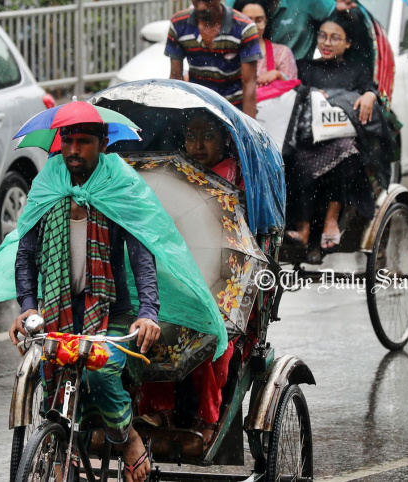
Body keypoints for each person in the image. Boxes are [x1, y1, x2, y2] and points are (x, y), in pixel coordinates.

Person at [5, 119, 160, 482]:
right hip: (59, 313)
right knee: (47, 367)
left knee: (100, 370)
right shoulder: (46, 187)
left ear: (103, 143)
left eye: (84, 142)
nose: (73, 150)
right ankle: (61, 445)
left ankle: (128, 438)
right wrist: (28, 307)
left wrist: (149, 312)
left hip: (112, 313)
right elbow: (25, 253)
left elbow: (141, 255)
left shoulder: (117, 186)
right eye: (68, 141)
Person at [136, 112, 241, 447]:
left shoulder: (234, 178)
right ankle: (158, 409)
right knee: (152, 325)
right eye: (191, 135)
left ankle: (208, 417)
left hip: (226, 280)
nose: (198, 144)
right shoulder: (177, 174)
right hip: (180, 274)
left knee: (208, 331)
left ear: (223, 139)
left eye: (207, 135)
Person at [285, 13, 390, 253]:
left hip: (344, 140)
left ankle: (331, 219)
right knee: (293, 157)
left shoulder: (357, 69)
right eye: (322, 37)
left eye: (335, 38)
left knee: (345, 150)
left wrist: (369, 96)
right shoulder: (305, 67)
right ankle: (302, 229)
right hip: (309, 138)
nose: (327, 43)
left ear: (348, 43)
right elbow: (292, 90)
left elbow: (369, 90)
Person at [166, 0, 261, 118]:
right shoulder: (178, 24)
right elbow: (175, 80)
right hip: (197, 108)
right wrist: (175, 122)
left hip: (233, 111)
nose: (200, 6)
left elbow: (249, 85)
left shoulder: (245, 28)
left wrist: (249, 128)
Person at [224, 0, 359, 61]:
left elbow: (340, 24)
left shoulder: (307, 2)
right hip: (245, 72)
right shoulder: (232, 4)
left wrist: (339, 10)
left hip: (298, 79)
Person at [234, 0, 297, 86]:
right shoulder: (226, 54)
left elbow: (294, 92)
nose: (253, 26)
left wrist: (279, 76)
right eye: (247, 20)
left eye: (259, 20)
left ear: (266, 22)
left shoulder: (282, 54)